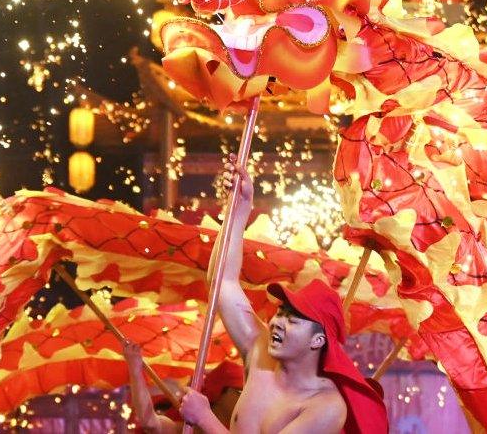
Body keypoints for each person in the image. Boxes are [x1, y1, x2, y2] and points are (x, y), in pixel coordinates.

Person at [179, 159, 388, 433]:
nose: (277, 321)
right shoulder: (259, 351)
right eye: (281, 312)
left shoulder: (325, 406)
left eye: (293, 318)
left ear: (318, 339)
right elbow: (223, 283)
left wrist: (205, 418)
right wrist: (238, 211)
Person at [124, 338, 244, 433]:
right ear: (220, 395)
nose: (246, 398)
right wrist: (135, 368)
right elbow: (150, 423)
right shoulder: (189, 429)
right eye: (239, 392)